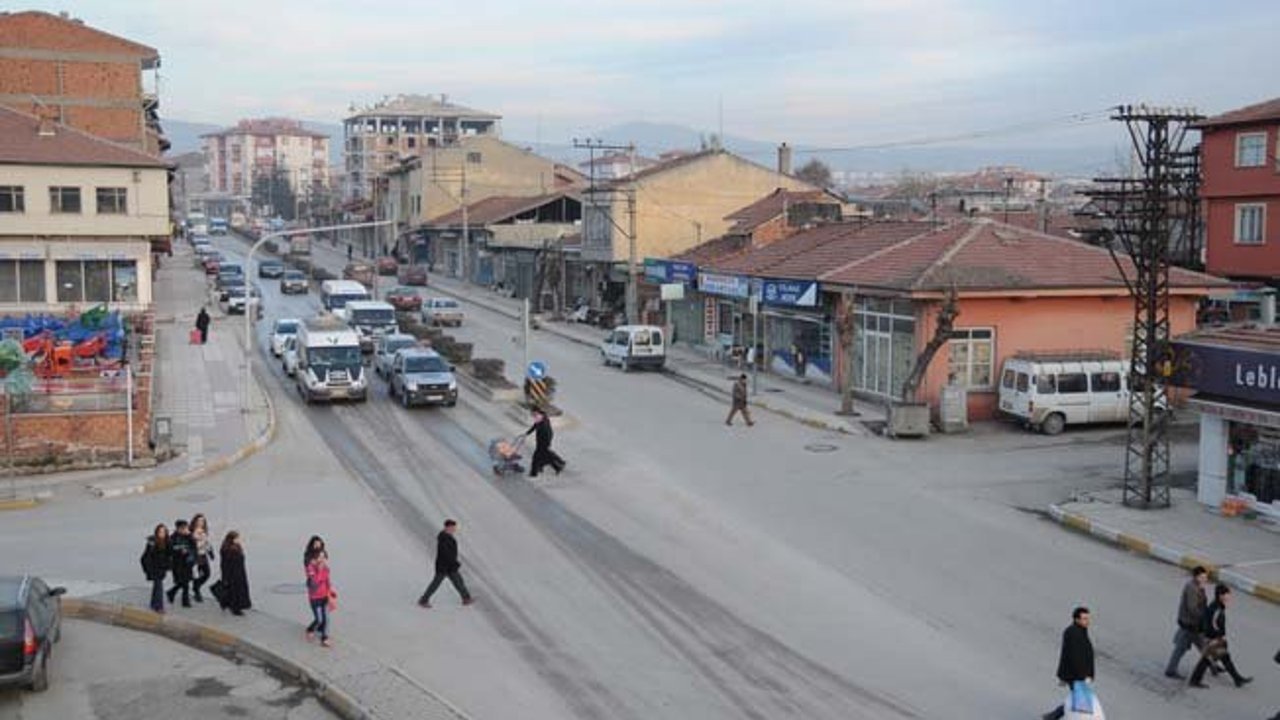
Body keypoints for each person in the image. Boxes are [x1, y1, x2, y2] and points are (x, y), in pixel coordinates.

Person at [1189, 583, 1252, 688]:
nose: (1229, 596)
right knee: (1209, 659)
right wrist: (1217, 637)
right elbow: (1211, 625)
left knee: (1222, 657)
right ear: (1221, 595)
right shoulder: (1216, 609)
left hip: (1214, 638)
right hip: (1213, 639)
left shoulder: (1218, 606)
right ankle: (1195, 680)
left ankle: (1237, 679)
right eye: (1227, 594)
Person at [1042, 606, 1095, 720]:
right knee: (1079, 700)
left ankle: (1053, 716)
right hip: (1076, 675)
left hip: (1078, 675)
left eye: (1088, 618)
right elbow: (1074, 658)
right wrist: (1083, 677)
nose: (1088, 621)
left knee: (1076, 699)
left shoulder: (1080, 631)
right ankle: (1053, 716)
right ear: (1077, 620)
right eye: (1085, 619)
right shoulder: (1073, 633)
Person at [1165, 566, 1209, 678]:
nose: (1205, 579)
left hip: (1193, 624)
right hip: (1190, 623)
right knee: (1181, 648)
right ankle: (1170, 670)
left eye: (1205, 577)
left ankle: (1213, 666)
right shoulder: (1192, 588)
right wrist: (1204, 617)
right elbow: (1192, 608)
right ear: (1196, 577)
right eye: (1203, 577)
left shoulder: (1198, 586)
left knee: (1203, 644)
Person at [418, 519, 473, 608]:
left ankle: (466, 598)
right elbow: (446, 553)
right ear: (447, 527)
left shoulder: (448, 537)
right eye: (452, 527)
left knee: (459, 581)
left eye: (454, 527)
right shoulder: (444, 538)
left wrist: (454, 563)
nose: (454, 529)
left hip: (450, 566)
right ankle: (423, 600)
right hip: (443, 566)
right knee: (435, 584)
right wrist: (454, 563)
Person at [304, 538, 333, 647]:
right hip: (315, 598)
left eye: (324, 557)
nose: (322, 559)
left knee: (327, 619)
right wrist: (319, 570)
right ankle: (310, 629)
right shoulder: (310, 568)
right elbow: (314, 583)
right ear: (314, 559)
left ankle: (324, 637)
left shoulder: (326, 568)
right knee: (319, 619)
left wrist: (330, 593)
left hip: (324, 596)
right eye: (320, 557)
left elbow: (328, 581)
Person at [524, 408, 566, 477]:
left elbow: (546, 431)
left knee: (537, 457)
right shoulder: (541, 418)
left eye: (533, 414)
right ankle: (557, 466)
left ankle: (534, 473)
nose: (533, 415)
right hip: (542, 441)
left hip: (543, 441)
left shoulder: (543, 422)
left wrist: (546, 442)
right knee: (545, 456)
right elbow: (535, 425)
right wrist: (528, 433)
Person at [219, 530, 252, 616]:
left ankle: (236, 605)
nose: (238, 540)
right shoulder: (227, 549)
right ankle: (235, 608)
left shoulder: (237, 547)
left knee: (239, 590)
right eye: (237, 538)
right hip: (232, 574)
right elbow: (224, 564)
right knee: (234, 591)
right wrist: (225, 576)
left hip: (239, 572)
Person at [140, 524, 171, 613]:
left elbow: (170, 555)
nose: (162, 534)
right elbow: (146, 556)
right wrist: (148, 569)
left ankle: (153, 604)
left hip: (162, 568)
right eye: (160, 532)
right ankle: (159, 607)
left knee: (156, 586)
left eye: (164, 532)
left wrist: (168, 565)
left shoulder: (167, 542)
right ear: (157, 532)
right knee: (159, 586)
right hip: (154, 568)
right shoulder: (152, 543)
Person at [166, 519, 196, 608]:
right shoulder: (173, 537)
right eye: (183, 528)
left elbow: (194, 548)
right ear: (178, 528)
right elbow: (170, 550)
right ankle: (184, 601)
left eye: (186, 528)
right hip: (178, 564)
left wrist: (190, 538)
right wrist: (179, 551)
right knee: (183, 582)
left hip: (187, 563)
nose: (185, 530)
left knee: (185, 582)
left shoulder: (189, 536)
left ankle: (172, 593)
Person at [190, 514, 214, 603]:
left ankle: (196, 586)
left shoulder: (204, 531)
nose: (201, 523)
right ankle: (197, 592)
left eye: (203, 521)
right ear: (195, 521)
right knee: (197, 574)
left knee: (207, 574)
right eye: (199, 521)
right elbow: (192, 543)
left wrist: (211, 552)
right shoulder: (191, 531)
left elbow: (206, 543)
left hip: (203, 555)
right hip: (196, 556)